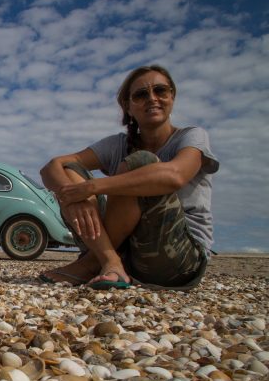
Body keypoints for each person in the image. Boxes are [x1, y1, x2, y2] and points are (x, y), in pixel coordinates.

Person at [39, 65, 218, 290]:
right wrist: (75, 199)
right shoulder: (118, 144)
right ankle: (110, 261)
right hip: (127, 254)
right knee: (69, 171)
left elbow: (175, 176)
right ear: (128, 106)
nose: (152, 98)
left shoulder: (192, 136)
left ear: (171, 96)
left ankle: (94, 262)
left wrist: (92, 187)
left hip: (177, 259)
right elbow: (52, 167)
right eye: (141, 94)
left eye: (160, 90)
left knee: (140, 163)